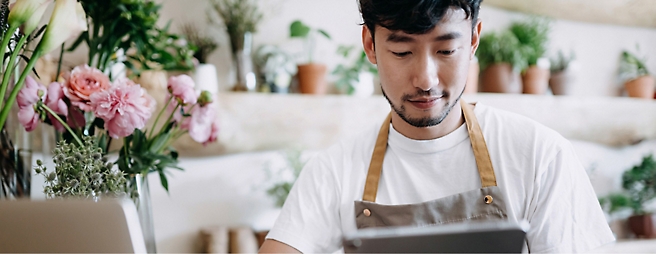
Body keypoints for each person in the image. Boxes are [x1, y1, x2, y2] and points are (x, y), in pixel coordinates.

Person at [260, 0, 615, 253]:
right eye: (402, 52)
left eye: (446, 51)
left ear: (474, 38)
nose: (425, 79)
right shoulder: (332, 171)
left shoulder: (540, 155)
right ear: (370, 45)